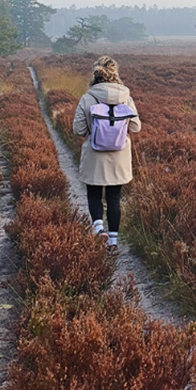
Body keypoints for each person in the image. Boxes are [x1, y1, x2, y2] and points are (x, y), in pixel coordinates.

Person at [72, 56, 141, 252]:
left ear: (95, 74)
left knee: (94, 195)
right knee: (114, 198)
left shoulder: (88, 98)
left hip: (94, 155)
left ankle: (99, 227)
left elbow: (78, 129)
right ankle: (113, 241)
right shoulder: (126, 98)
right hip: (119, 156)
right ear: (115, 74)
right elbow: (136, 127)